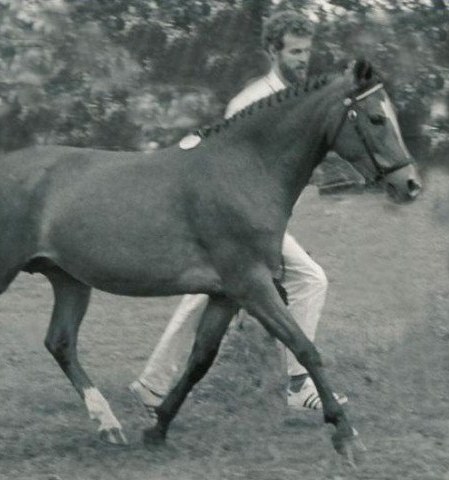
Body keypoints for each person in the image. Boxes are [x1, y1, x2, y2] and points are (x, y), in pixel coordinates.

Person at [130, 10, 348, 414]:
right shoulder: (250, 102)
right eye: (295, 51)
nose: (304, 59)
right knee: (308, 279)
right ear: (273, 50)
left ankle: (153, 385)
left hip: (262, 224)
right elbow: (228, 167)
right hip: (238, 225)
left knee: (208, 298)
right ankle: (300, 387)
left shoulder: (298, 99)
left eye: (307, 51)